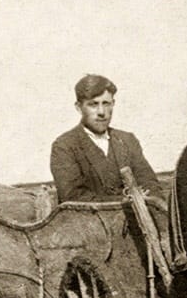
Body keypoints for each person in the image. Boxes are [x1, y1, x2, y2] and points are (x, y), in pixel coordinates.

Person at [50, 74, 164, 205]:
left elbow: (151, 184)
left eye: (106, 103)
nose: (101, 112)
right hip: (90, 224)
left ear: (113, 104)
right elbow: (74, 198)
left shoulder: (127, 140)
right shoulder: (64, 146)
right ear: (78, 107)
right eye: (93, 104)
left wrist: (149, 199)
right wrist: (128, 201)